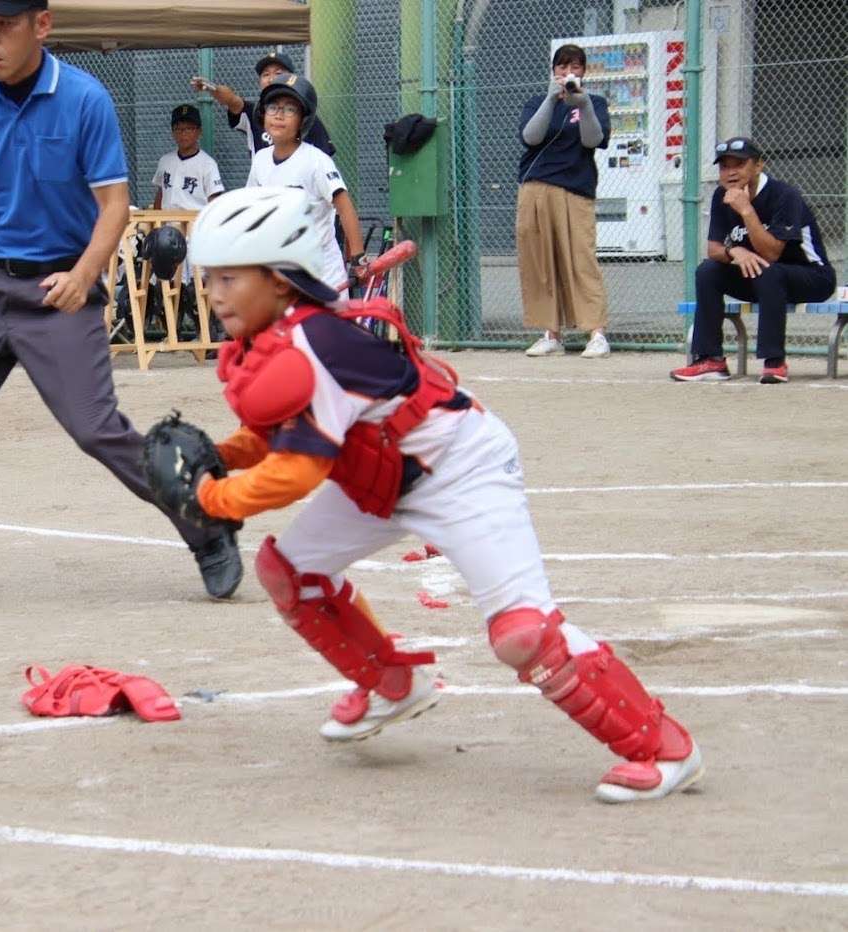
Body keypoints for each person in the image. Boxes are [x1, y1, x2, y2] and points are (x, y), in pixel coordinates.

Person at [168, 185, 703, 803]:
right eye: (210, 279)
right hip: (384, 477)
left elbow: (296, 474)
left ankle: (664, 749)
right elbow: (275, 435)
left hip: (460, 470)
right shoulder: (273, 341)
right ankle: (393, 682)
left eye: (229, 279)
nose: (212, 294)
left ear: (283, 280)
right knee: (290, 573)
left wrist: (214, 499)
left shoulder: (313, 347)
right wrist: (222, 457)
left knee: (523, 634)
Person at [0, 0, 242, 611]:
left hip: (59, 291)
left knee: (97, 428)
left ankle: (208, 527)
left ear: (40, 26)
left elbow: (115, 205)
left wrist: (84, 275)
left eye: (2, 27)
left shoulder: (84, 99)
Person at [671, 137, 837, 384]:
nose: (730, 172)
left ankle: (774, 362)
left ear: (758, 165)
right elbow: (714, 249)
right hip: (760, 277)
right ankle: (710, 359)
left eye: (738, 164)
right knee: (708, 271)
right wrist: (734, 252)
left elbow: (771, 254)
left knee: (769, 270)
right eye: (724, 167)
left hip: (812, 276)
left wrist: (746, 210)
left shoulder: (785, 195)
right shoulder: (721, 196)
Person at [516, 44, 611, 359]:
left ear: (584, 71)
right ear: (553, 71)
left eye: (575, 68)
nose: (568, 74)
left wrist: (582, 104)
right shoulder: (535, 102)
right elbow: (531, 137)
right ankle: (551, 332)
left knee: (581, 259)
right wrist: (549, 98)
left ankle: (595, 332)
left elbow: (592, 140)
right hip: (535, 186)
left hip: (575, 188)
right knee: (540, 262)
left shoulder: (594, 102)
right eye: (562, 68)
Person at [245, 74, 366, 297]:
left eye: (290, 109)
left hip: (322, 277)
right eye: (273, 107)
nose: (279, 115)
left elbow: (345, 206)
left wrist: (358, 258)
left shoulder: (316, 161)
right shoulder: (260, 160)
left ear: (303, 120)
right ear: (263, 114)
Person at [190, 51, 334, 157]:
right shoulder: (255, 113)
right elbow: (232, 100)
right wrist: (213, 89)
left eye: (278, 73)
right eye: (265, 74)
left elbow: (325, 158)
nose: (271, 79)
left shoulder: (308, 117)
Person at [151, 105, 224, 212]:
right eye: (179, 129)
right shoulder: (165, 161)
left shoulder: (208, 164)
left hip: (193, 221)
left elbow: (214, 200)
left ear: (199, 131)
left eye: (189, 128)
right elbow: (161, 193)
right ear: (172, 132)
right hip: (167, 221)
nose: (183, 133)